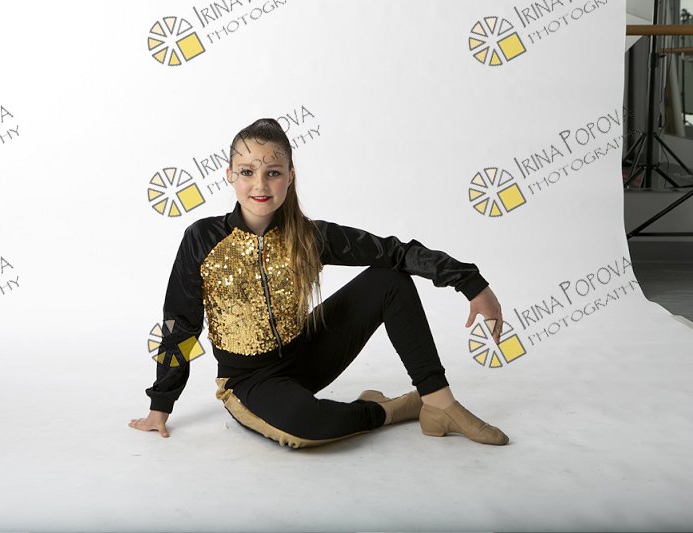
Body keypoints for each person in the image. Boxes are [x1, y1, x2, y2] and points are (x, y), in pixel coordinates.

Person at [129, 118, 509, 448]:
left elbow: (393, 252)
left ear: (290, 176)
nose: (260, 184)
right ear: (229, 175)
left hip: (306, 355)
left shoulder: (307, 235)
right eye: (247, 172)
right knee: (308, 428)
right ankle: (392, 409)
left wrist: (471, 284)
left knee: (389, 279)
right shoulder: (202, 239)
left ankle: (439, 403)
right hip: (248, 380)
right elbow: (180, 324)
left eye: (273, 172)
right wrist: (161, 405)